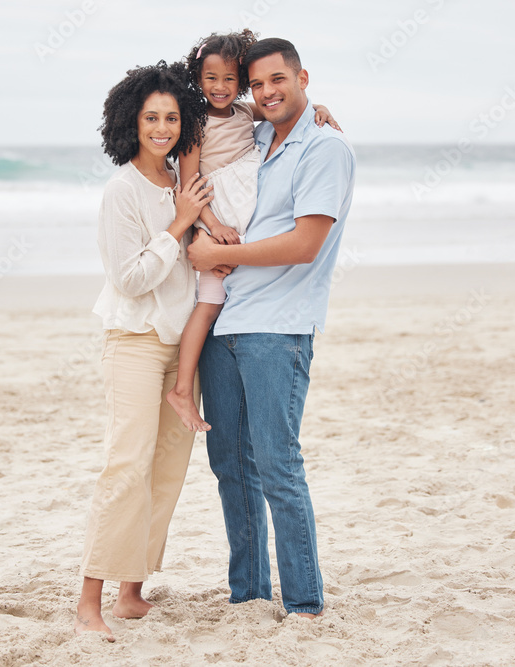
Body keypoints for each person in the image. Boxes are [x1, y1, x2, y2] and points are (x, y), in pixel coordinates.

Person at [186, 38, 356, 618]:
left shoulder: (325, 149)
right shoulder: (259, 135)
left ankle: (305, 604)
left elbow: (306, 245)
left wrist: (212, 256)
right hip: (223, 322)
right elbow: (222, 112)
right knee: (230, 466)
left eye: (278, 80)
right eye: (257, 84)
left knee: (277, 466)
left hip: (276, 329)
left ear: (302, 76)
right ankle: (250, 596)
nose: (266, 92)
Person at [74, 60, 213, 641]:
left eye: (172, 117)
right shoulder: (123, 189)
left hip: (182, 348)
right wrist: (178, 225)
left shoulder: (184, 180)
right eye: (151, 117)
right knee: (125, 466)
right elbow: (129, 279)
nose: (162, 128)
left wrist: (320, 111)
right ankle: (90, 600)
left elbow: (246, 118)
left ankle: (133, 592)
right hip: (133, 340)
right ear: (131, 121)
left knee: (166, 470)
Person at [165, 30, 340, 433]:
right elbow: (188, 187)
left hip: (238, 232)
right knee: (208, 305)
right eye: (211, 79)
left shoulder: (247, 113)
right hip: (214, 225)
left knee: (223, 300)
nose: (220, 87)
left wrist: (321, 108)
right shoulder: (194, 124)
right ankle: (181, 388)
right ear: (198, 78)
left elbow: (289, 110)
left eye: (230, 79)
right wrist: (211, 229)